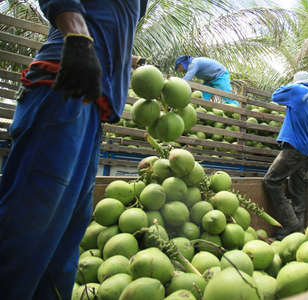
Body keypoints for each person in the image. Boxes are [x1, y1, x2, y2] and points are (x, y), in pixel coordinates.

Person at [0, 1, 147, 299]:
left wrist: (131, 61)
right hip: (66, 86)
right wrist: (78, 36)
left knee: (66, 235)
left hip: (93, 103)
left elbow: (107, 23)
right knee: (32, 221)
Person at [263, 71, 308, 240]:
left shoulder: (297, 90)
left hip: (293, 149)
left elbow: (275, 95)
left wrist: (291, 86)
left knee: (271, 180)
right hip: (305, 151)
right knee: (298, 190)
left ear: (298, 82)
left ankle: (291, 225)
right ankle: (299, 231)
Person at [174, 55, 240, 106]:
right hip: (209, 80)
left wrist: (175, 86)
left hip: (220, 75)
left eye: (179, 68)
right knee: (202, 98)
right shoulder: (193, 64)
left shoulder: (194, 63)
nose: (180, 70)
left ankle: (239, 113)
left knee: (227, 96)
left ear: (182, 64)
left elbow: (186, 79)